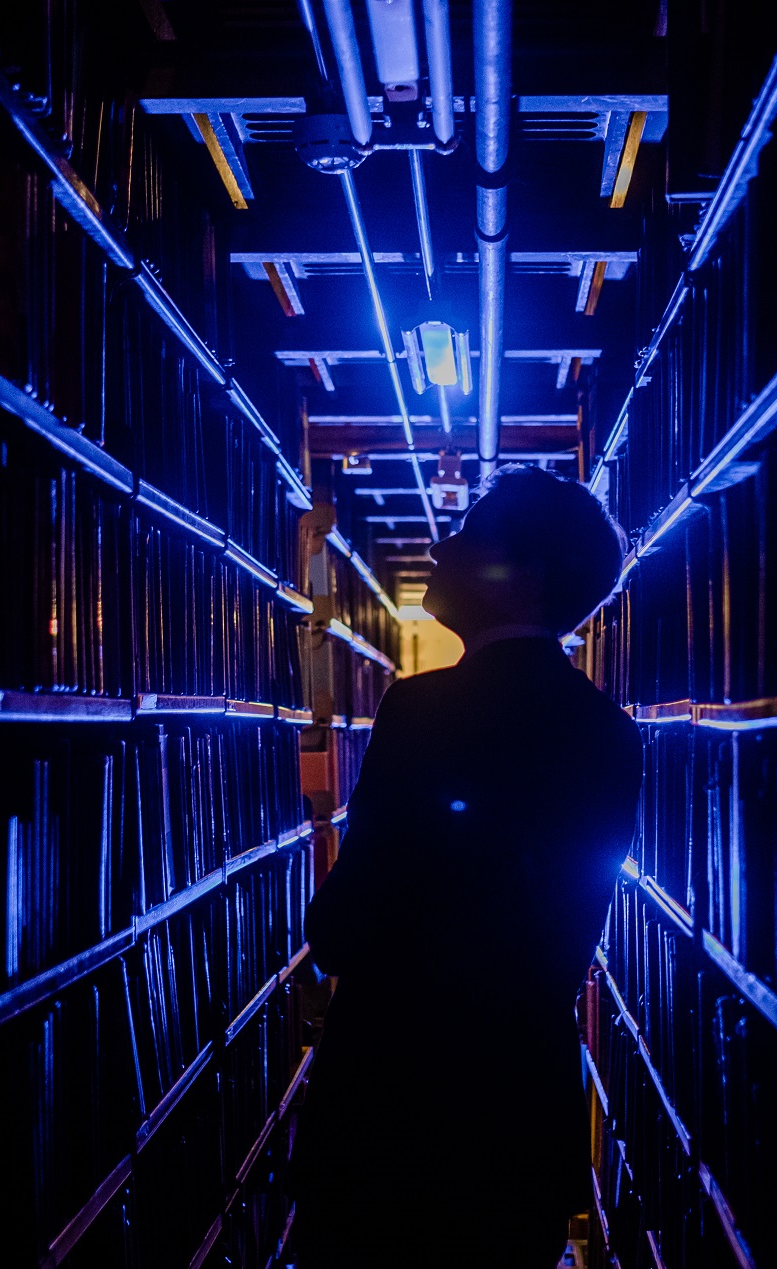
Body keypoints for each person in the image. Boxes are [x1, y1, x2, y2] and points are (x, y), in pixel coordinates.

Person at [291, 466, 644, 1268]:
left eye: (473, 536)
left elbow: (342, 929)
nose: (441, 549)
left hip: (387, 1116)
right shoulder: (611, 734)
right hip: (517, 1123)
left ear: (525, 577)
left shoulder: (421, 712)